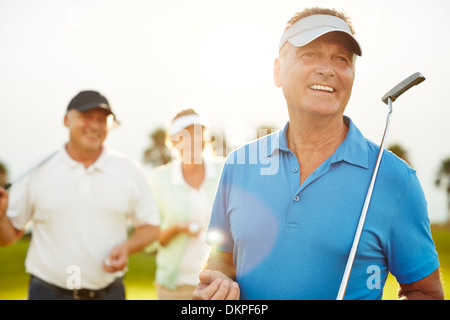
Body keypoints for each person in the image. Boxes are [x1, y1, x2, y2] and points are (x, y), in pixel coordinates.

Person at [193, 8, 443, 300]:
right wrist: (217, 284)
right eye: (310, 54)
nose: (328, 69)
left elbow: (425, 293)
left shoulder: (394, 180)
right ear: (277, 70)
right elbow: (221, 258)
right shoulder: (238, 165)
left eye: (341, 59)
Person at [0, 90, 160, 300]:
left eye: (102, 120)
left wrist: (127, 247)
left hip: (109, 293)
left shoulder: (130, 170)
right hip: (47, 292)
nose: (95, 126)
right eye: (87, 117)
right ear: (67, 120)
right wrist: (1, 216)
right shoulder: (37, 169)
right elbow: (9, 237)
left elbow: (151, 227)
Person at [149, 108, 223, 300]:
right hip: (176, 286)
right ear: (172, 141)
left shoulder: (225, 169)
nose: (193, 139)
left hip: (220, 283)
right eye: (185, 134)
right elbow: (150, 239)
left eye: (198, 132)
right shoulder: (159, 180)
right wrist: (176, 229)